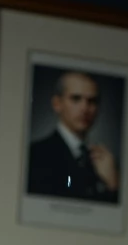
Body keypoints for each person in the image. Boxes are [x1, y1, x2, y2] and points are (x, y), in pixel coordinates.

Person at [26, 70, 119, 202]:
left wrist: (114, 186)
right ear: (57, 104)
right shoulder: (35, 155)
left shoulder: (107, 162)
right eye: (76, 98)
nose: (85, 108)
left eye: (92, 101)